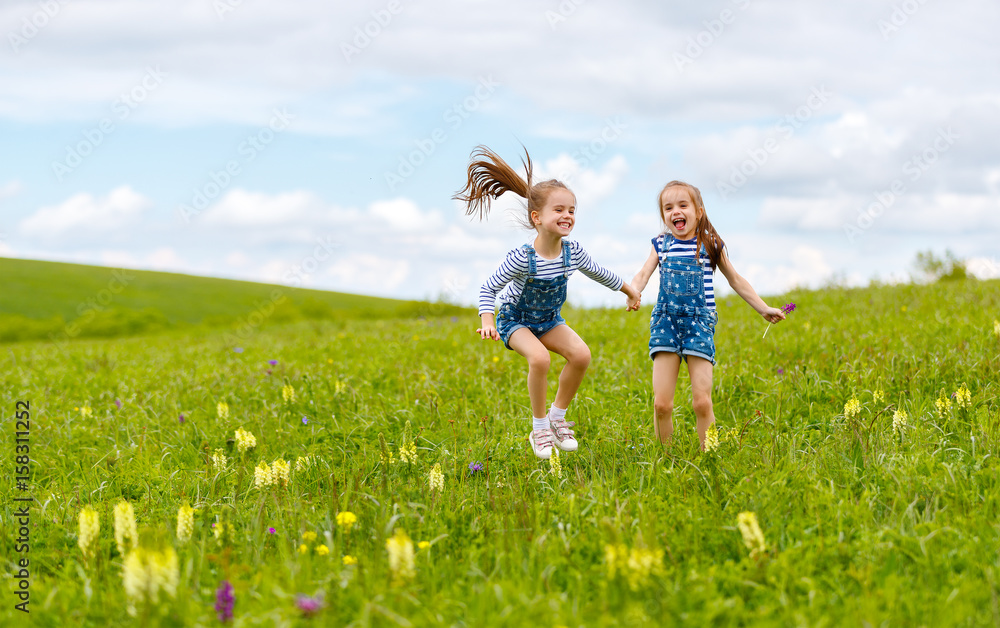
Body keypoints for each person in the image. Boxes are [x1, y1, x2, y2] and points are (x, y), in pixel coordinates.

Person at [455, 146, 641, 459]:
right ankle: (539, 428)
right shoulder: (522, 258)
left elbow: (600, 273)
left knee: (581, 355)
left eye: (571, 210)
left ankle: (557, 418)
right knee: (540, 359)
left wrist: (629, 291)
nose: (567, 215)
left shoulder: (573, 252)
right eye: (559, 210)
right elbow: (489, 288)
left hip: (549, 319)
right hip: (515, 320)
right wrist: (487, 321)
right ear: (536, 218)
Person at [630, 180, 785, 449]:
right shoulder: (660, 245)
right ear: (664, 216)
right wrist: (634, 291)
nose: (675, 211)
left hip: (698, 324)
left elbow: (735, 280)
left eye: (682, 205)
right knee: (662, 404)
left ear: (698, 212)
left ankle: (709, 455)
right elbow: (643, 273)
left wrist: (763, 308)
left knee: (702, 401)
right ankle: (666, 459)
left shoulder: (711, 244)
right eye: (668, 208)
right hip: (666, 322)